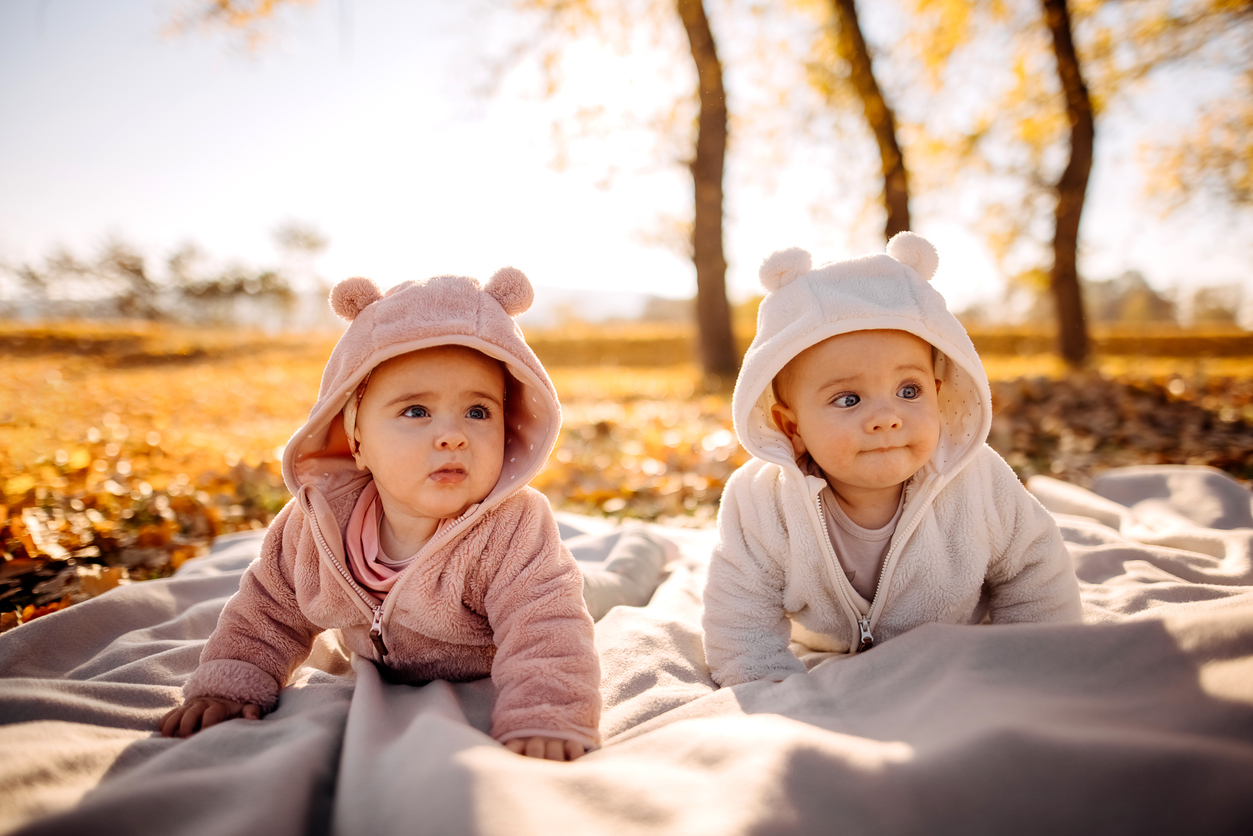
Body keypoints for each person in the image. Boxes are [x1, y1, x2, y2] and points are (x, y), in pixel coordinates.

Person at [161, 267, 662, 761]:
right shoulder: (317, 526)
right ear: (356, 440)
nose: (452, 436)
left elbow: (546, 629)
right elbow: (266, 612)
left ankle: (643, 545)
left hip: (554, 596)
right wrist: (232, 683)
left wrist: (546, 714)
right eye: (416, 411)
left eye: (478, 412)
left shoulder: (513, 529)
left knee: (615, 584)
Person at [702, 232, 1082, 687]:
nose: (887, 417)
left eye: (909, 391)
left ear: (938, 395)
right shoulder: (761, 503)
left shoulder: (979, 481)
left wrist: (1037, 663)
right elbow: (739, 620)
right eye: (848, 399)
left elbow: (1036, 568)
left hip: (953, 641)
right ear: (791, 426)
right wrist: (771, 691)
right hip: (825, 643)